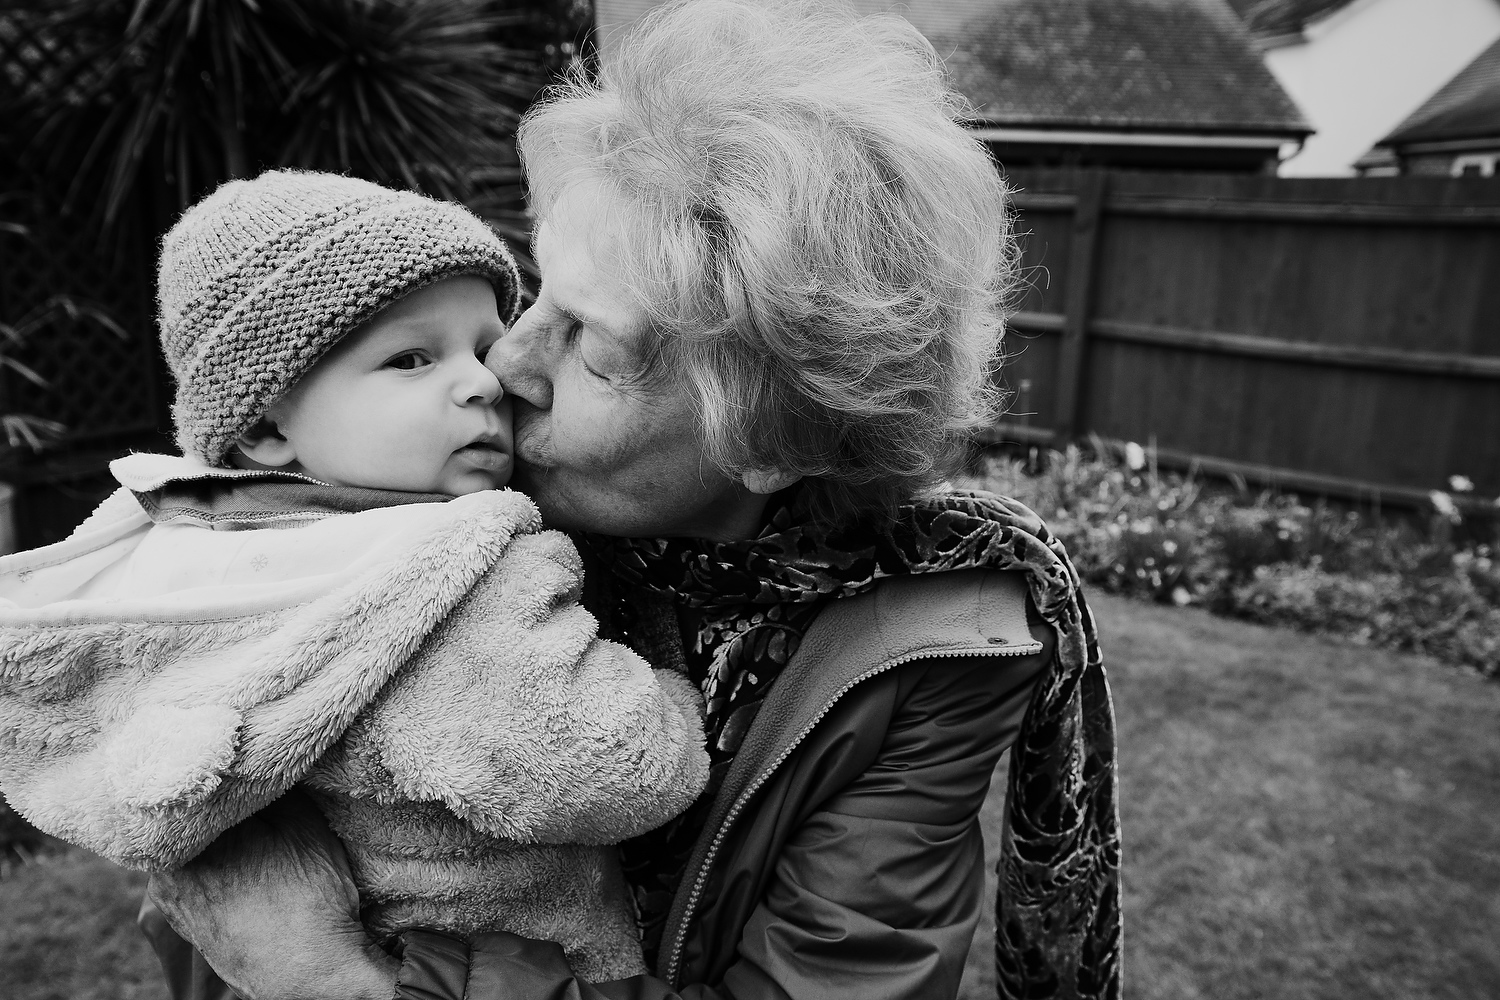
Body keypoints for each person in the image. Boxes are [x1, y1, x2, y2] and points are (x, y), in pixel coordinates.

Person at [144, 1, 1123, 997]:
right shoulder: (429, 511)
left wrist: (328, 978)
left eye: (598, 350)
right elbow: (196, 840)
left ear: (774, 439)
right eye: (538, 295)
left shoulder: (924, 651)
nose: (506, 365)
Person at [0, 170, 710, 983]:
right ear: (267, 426)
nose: (485, 380)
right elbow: (612, 770)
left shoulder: (187, 559)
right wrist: (674, 702)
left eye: (483, 346)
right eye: (411, 358)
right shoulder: (443, 579)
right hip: (502, 961)